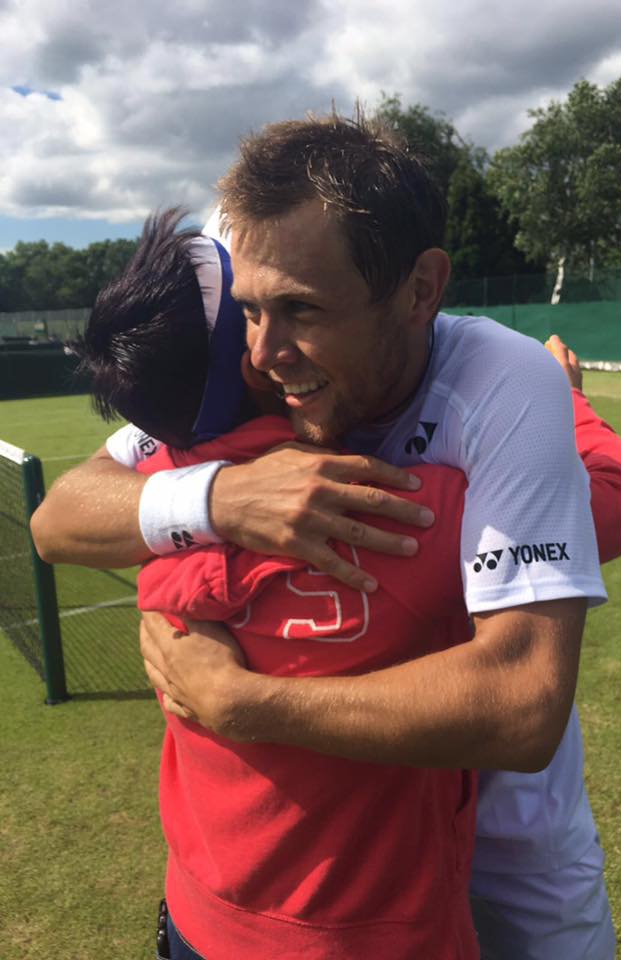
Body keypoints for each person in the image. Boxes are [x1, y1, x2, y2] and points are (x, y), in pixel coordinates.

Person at [31, 113, 621, 960]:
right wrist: (224, 496)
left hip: (511, 830)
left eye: (300, 310)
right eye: (250, 308)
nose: (262, 353)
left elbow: (522, 703)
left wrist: (246, 704)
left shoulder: (501, 381)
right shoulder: (252, 389)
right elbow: (58, 514)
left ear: (421, 291)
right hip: (355, 876)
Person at [73, 209, 480, 958]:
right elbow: (615, 502)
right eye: (252, 309)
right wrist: (564, 399)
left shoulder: (146, 509)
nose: (270, 328)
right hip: (375, 937)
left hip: (200, 913)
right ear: (253, 359)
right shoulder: (411, 508)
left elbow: (62, 514)